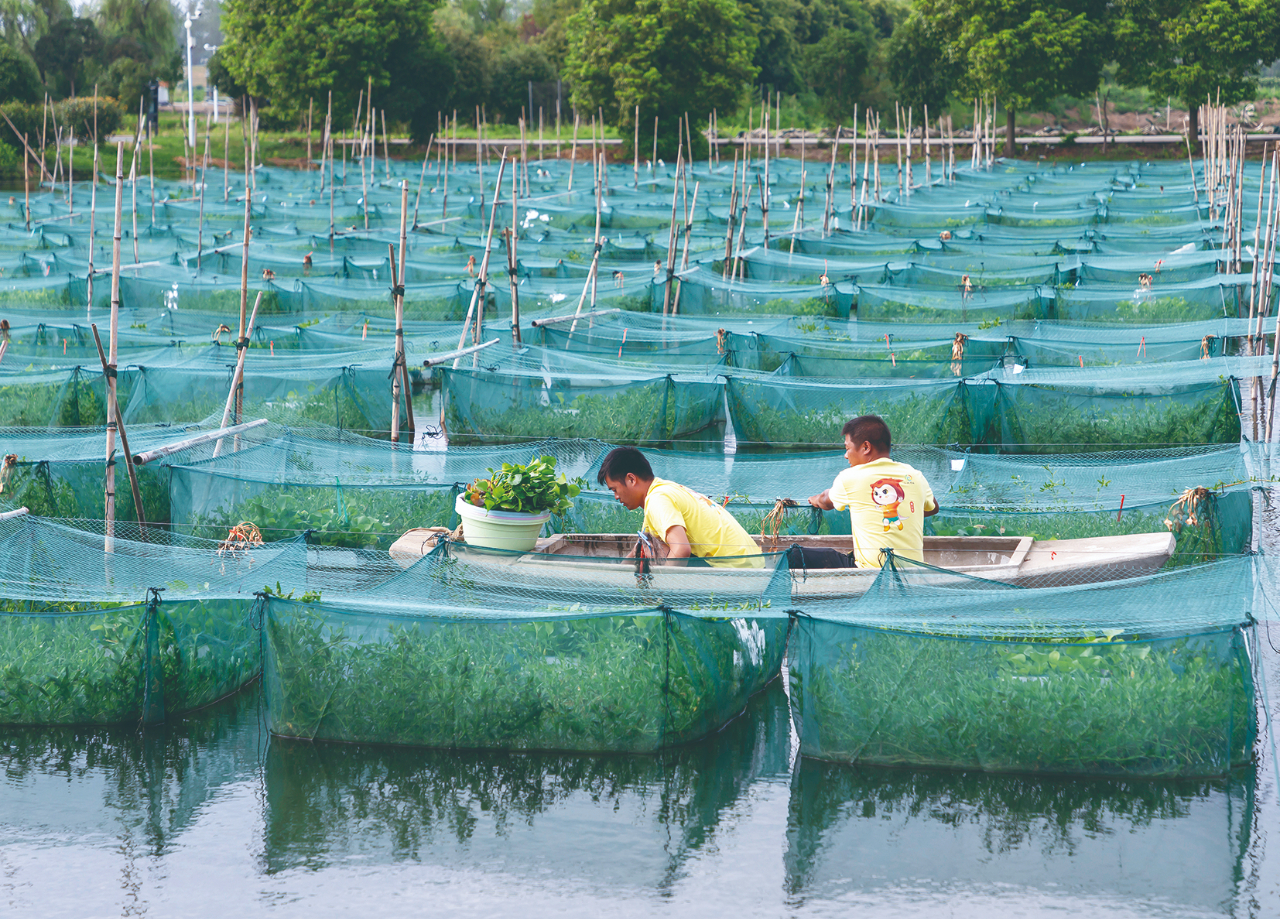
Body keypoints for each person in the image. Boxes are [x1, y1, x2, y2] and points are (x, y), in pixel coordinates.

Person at [808, 415, 939, 568]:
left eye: (847, 449)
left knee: (796, 554)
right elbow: (933, 507)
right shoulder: (915, 476)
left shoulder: (850, 477)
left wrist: (813, 499)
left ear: (866, 447)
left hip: (870, 574)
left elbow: (825, 500)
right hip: (913, 573)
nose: (846, 456)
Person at [598, 447, 763, 568]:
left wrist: (665, 591)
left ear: (631, 480)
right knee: (648, 544)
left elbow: (682, 549)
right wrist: (616, 575)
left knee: (653, 551)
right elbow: (639, 548)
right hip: (753, 564)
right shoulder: (663, 489)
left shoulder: (657, 499)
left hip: (738, 572)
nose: (616, 497)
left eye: (614, 489)